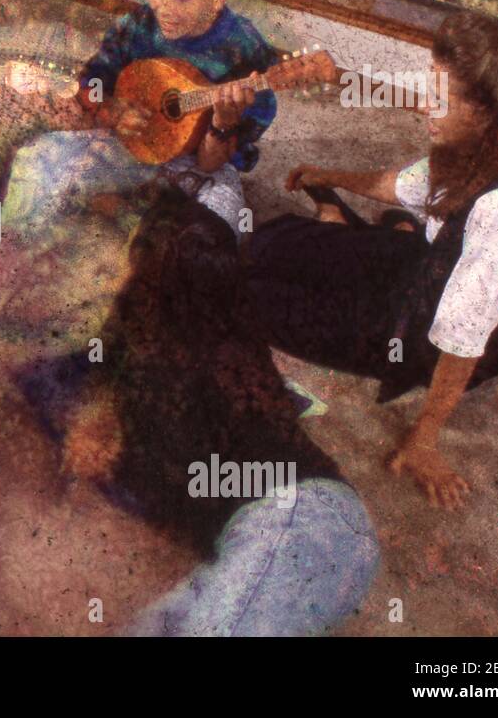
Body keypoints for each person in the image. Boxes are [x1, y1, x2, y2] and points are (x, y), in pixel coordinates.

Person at [246, 11, 498, 510]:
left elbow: (464, 341)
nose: (426, 105)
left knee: (243, 295)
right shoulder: (478, 144)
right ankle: (335, 217)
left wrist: (424, 439)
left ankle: (337, 230)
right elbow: (401, 187)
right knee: (268, 241)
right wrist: (327, 173)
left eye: (440, 98)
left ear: (489, 113)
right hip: (421, 264)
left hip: (418, 329)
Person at [38, 188, 379, 636]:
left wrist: (102, 433)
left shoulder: (210, 367)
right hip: (291, 533)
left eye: (127, 263)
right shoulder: (182, 335)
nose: (115, 275)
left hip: (305, 524)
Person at [2, 0, 278, 236]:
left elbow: (211, 162)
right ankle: (12, 246)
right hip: (131, 145)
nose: (164, 8)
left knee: (220, 224)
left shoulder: (245, 49)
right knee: (35, 159)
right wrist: (113, 109)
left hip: (195, 164)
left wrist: (223, 122)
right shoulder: (137, 27)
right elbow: (90, 85)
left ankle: (129, 217)